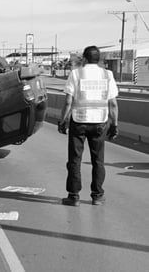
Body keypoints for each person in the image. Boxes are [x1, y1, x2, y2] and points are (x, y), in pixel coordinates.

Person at [58, 45, 119, 206]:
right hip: (100, 122)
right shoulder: (107, 75)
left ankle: (73, 196)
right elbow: (113, 104)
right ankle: (97, 195)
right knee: (98, 160)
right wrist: (115, 125)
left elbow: (68, 101)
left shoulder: (76, 74)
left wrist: (63, 120)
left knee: (74, 160)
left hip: (79, 122)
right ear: (98, 59)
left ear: (84, 58)